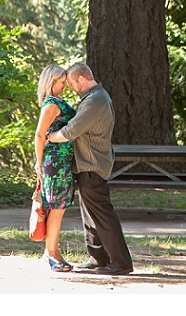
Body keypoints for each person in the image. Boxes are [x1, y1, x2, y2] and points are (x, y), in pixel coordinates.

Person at [46, 63, 133, 275]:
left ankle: (121, 262)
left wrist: (48, 137)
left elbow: (72, 131)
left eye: (72, 83)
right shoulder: (92, 98)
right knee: (89, 214)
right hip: (86, 164)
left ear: (82, 79)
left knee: (102, 214)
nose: (71, 88)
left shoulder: (96, 101)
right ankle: (98, 258)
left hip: (93, 164)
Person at [34, 64, 76, 272]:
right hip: (55, 163)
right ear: (51, 82)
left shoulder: (57, 101)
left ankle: (53, 252)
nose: (65, 85)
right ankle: (51, 255)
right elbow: (40, 135)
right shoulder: (50, 104)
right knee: (56, 209)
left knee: (59, 208)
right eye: (62, 82)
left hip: (63, 162)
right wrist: (39, 163)